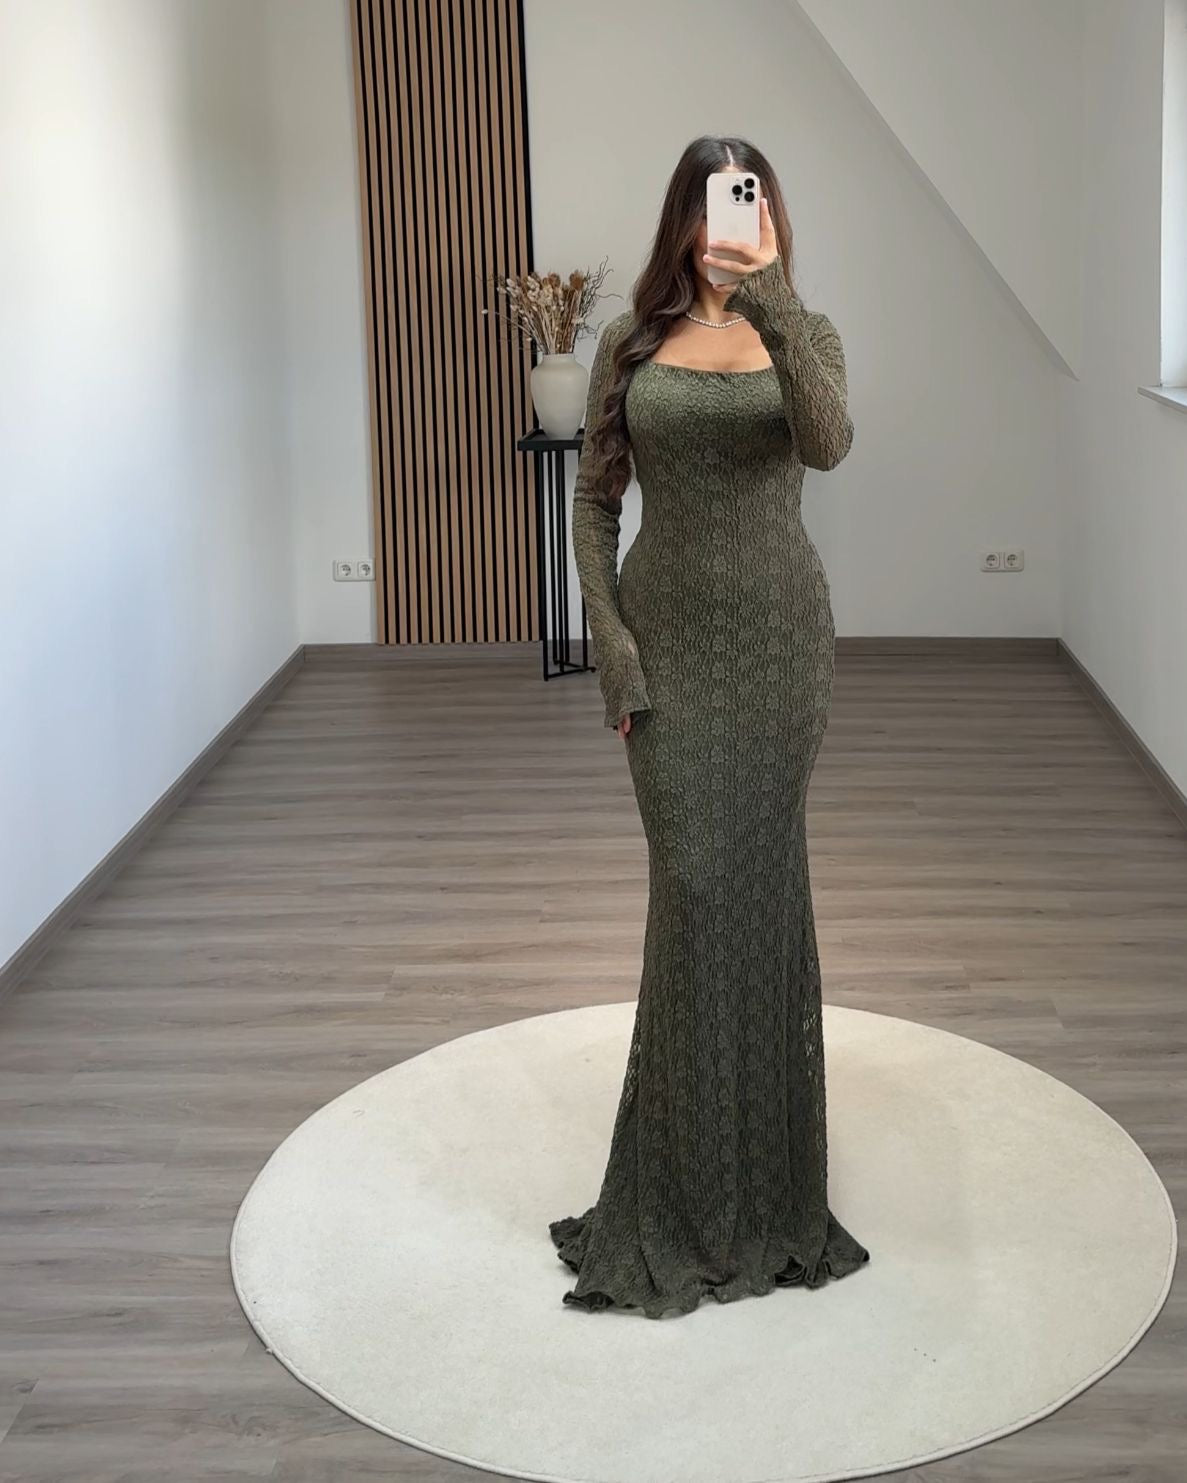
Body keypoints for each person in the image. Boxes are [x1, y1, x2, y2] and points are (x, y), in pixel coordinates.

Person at [548, 136, 871, 1318]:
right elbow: (594, 501)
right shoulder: (629, 344)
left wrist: (769, 296)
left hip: (781, 649)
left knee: (760, 894)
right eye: (711, 201)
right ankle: (681, 1188)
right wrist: (611, 646)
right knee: (691, 886)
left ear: (767, 216)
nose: (728, 221)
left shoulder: (806, 334)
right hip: (668, 650)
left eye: (748, 200)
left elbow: (827, 443)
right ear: (680, 217)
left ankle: (768, 1184)